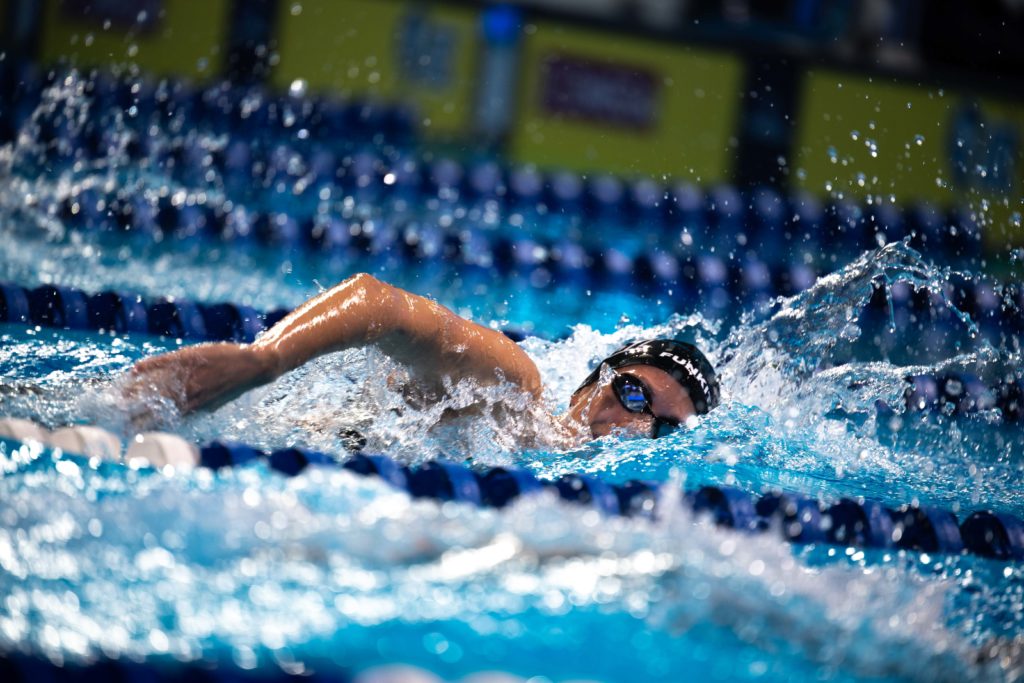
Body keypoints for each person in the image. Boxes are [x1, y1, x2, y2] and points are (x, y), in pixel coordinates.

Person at [126, 273, 720, 443]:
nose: (633, 425)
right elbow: (378, 303)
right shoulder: (516, 387)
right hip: (233, 428)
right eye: (635, 395)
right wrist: (264, 361)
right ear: (599, 375)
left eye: (659, 427)